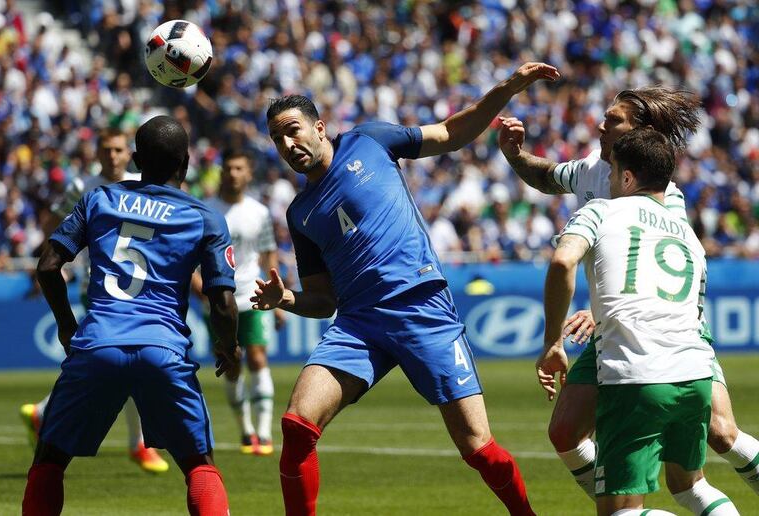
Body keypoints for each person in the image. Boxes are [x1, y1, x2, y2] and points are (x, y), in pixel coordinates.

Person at [252, 60, 560, 516]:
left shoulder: (370, 141)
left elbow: (453, 131)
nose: (287, 144)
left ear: (319, 127)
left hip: (422, 310)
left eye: (293, 130)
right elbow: (324, 301)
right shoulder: (299, 214)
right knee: (297, 427)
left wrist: (509, 87)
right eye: (277, 139)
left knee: (477, 447)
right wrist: (287, 300)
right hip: (357, 325)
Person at [499, 87, 759, 498]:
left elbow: (655, 271)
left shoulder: (665, 198)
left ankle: (621, 505)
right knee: (565, 432)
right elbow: (546, 177)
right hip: (615, 328)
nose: (601, 125)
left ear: (641, 134)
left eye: (614, 120)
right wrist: (515, 155)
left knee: (721, 435)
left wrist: (596, 308)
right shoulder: (589, 170)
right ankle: (615, 499)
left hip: (664, 326)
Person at [21, 116, 241, 515]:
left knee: (49, 462)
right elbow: (222, 300)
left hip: (97, 344)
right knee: (199, 466)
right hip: (163, 349)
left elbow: (49, 266)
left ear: (136, 159)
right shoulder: (204, 216)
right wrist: (229, 346)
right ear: (187, 163)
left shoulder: (99, 199)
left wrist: (68, 328)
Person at [540, 128, 738, 516]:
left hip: (636, 375)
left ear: (627, 177)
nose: (610, 181)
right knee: (691, 487)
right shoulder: (689, 236)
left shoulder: (601, 210)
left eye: (613, 173)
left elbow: (563, 261)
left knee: (621, 511)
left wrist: (552, 343)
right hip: (695, 374)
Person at [19, 128, 170, 473]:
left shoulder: (139, 183)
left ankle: (44, 412)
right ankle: (139, 445)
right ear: (98, 153)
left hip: (140, 287)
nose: (113, 156)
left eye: (118, 149)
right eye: (106, 149)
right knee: (130, 359)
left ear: (128, 153)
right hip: (99, 288)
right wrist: (61, 257)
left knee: (112, 362)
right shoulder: (82, 186)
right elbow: (54, 224)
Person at [198, 150, 284, 456]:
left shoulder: (259, 212)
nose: (233, 173)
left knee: (258, 357)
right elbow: (193, 258)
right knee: (231, 364)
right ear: (222, 173)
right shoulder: (206, 211)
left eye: (239, 168)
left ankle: (264, 432)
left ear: (248, 174)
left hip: (251, 294)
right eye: (229, 168)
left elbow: (269, 251)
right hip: (219, 301)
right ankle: (245, 431)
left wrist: (277, 292)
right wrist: (199, 286)